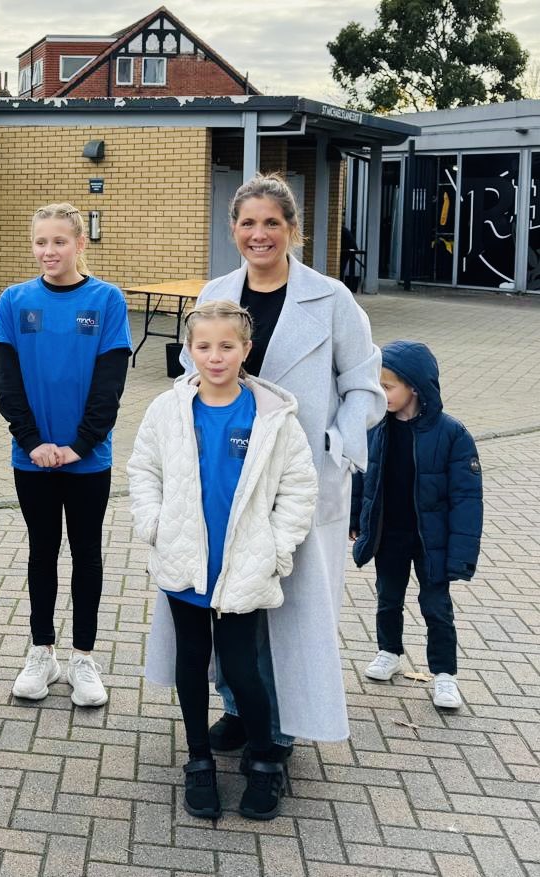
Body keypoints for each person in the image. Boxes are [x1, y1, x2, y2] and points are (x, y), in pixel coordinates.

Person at [146, 172, 386, 755]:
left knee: (290, 616)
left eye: (271, 223)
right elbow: (191, 375)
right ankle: (236, 708)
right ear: (233, 230)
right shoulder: (216, 294)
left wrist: (337, 443)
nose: (260, 235)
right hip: (222, 484)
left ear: (293, 231)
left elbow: (365, 388)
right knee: (228, 602)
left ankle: (280, 729)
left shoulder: (332, 301)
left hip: (300, 489)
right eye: (248, 223)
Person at [129, 300, 316, 820]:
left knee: (242, 668)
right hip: (185, 564)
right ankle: (199, 761)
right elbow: (143, 470)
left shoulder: (273, 416)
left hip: (243, 569)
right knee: (191, 663)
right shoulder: (167, 411)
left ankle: (263, 762)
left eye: (226, 346)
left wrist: (276, 550)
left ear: (245, 350)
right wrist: (155, 526)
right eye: (204, 346)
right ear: (189, 350)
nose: (215, 356)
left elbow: (299, 488)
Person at [0, 203, 131, 708]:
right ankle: (42, 651)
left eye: (59, 242)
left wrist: (78, 445)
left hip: (88, 460)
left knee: (87, 554)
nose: (49, 251)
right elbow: (7, 383)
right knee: (42, 552)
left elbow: (110, 386)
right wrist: (34, 443)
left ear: (80, 245)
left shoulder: (107, 300)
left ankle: (84, 659)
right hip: (33, 459)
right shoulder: (14, 300)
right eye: (41, 242)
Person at [350, 340, 482, 709]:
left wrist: (461, 554)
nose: (381, 393)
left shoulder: (452, 434)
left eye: (387, 386)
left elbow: (467, 499)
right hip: (389, 534)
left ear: (415, 387)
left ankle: (445, 676)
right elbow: (362, 474)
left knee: (436, 607)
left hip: (431, 541)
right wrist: (354, 516)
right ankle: (389, 652)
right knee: (387, 598)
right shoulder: (376, 426)